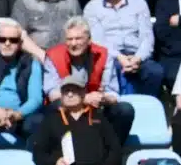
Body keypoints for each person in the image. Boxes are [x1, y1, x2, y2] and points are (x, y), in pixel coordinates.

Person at [31, 69, 132, 165]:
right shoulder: (51, 120)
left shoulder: (99, 117)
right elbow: (38, 152)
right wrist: (54, 162)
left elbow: (115, 148)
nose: (70, 94)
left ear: (83, 93)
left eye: (74, 90)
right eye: (66, 91)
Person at [43, 16, 136, 144]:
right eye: (69, 39)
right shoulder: (53, 55)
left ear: (89, 40)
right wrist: (84, 98)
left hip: (97, 107)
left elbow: (113, 93)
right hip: (65, 108)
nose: (73, 44)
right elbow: (52, 93)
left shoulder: (104, 55)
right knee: (56, 107)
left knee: (124, 110)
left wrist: (103, 98)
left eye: (78, 39)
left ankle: (112, 155)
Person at [83, 0, 163, 98]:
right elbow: (98, 41)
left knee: (155, 71)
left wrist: (138, 58)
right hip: (109, 57)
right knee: (107, 70)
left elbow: (147, 37)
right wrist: (120, 58)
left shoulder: (138, 2)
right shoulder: (92, 7)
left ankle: (147, 109)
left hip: (137, 55)